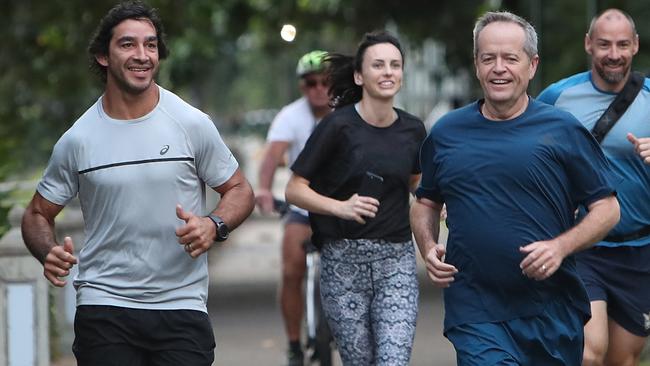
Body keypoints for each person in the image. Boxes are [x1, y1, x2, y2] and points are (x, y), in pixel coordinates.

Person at [20, 1, 255, 365]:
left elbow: (239, 189)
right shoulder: (78, 139)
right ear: (103, 55)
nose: (142, 55)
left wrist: (214, 224)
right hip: (104, 305)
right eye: (128, 44)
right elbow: (38, 212)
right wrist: (46, 251)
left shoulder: (190, 124)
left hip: (181, 305)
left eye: (151, 44)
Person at [410, 11, 621, 365]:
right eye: (488, 58)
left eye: (510, 58)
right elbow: (425, 202)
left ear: (532, 65)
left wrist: (559, 247)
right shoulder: (447, 133)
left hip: (552, 309)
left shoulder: (562, 129)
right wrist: (429, 246)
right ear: (476, 65)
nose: (499, 68)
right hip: (476, 309)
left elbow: (608, 208)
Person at [285, 30, 426, 365]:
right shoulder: (337, 127)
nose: (388, 72)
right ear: (360, 76)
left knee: (392, 360)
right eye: (378, 65)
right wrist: (341, 207)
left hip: (396, 263)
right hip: (342, 264)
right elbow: (294, 188)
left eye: (395, 65)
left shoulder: (413, 129)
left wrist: (437, 201)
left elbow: (416, 181)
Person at [537, 8, 650, 366]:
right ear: (589, 44)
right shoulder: (558, 97)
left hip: (641, 249)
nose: (612, 54)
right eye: (603, 44)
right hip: (584, 245)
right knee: (589, 352)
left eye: (621, 44)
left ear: (634, 46)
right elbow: (522, 150)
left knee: (622, 359)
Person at [255, 50, 331, 366]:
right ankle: (294, 344)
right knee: (291, 269)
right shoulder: (290, 116)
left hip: (342, 205)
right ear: (302, 86)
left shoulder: (349, 111)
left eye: (325, 82)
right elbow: (272, 156)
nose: (318, 88)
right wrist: (263, 190)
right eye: (310, 83)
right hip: (302, 205)